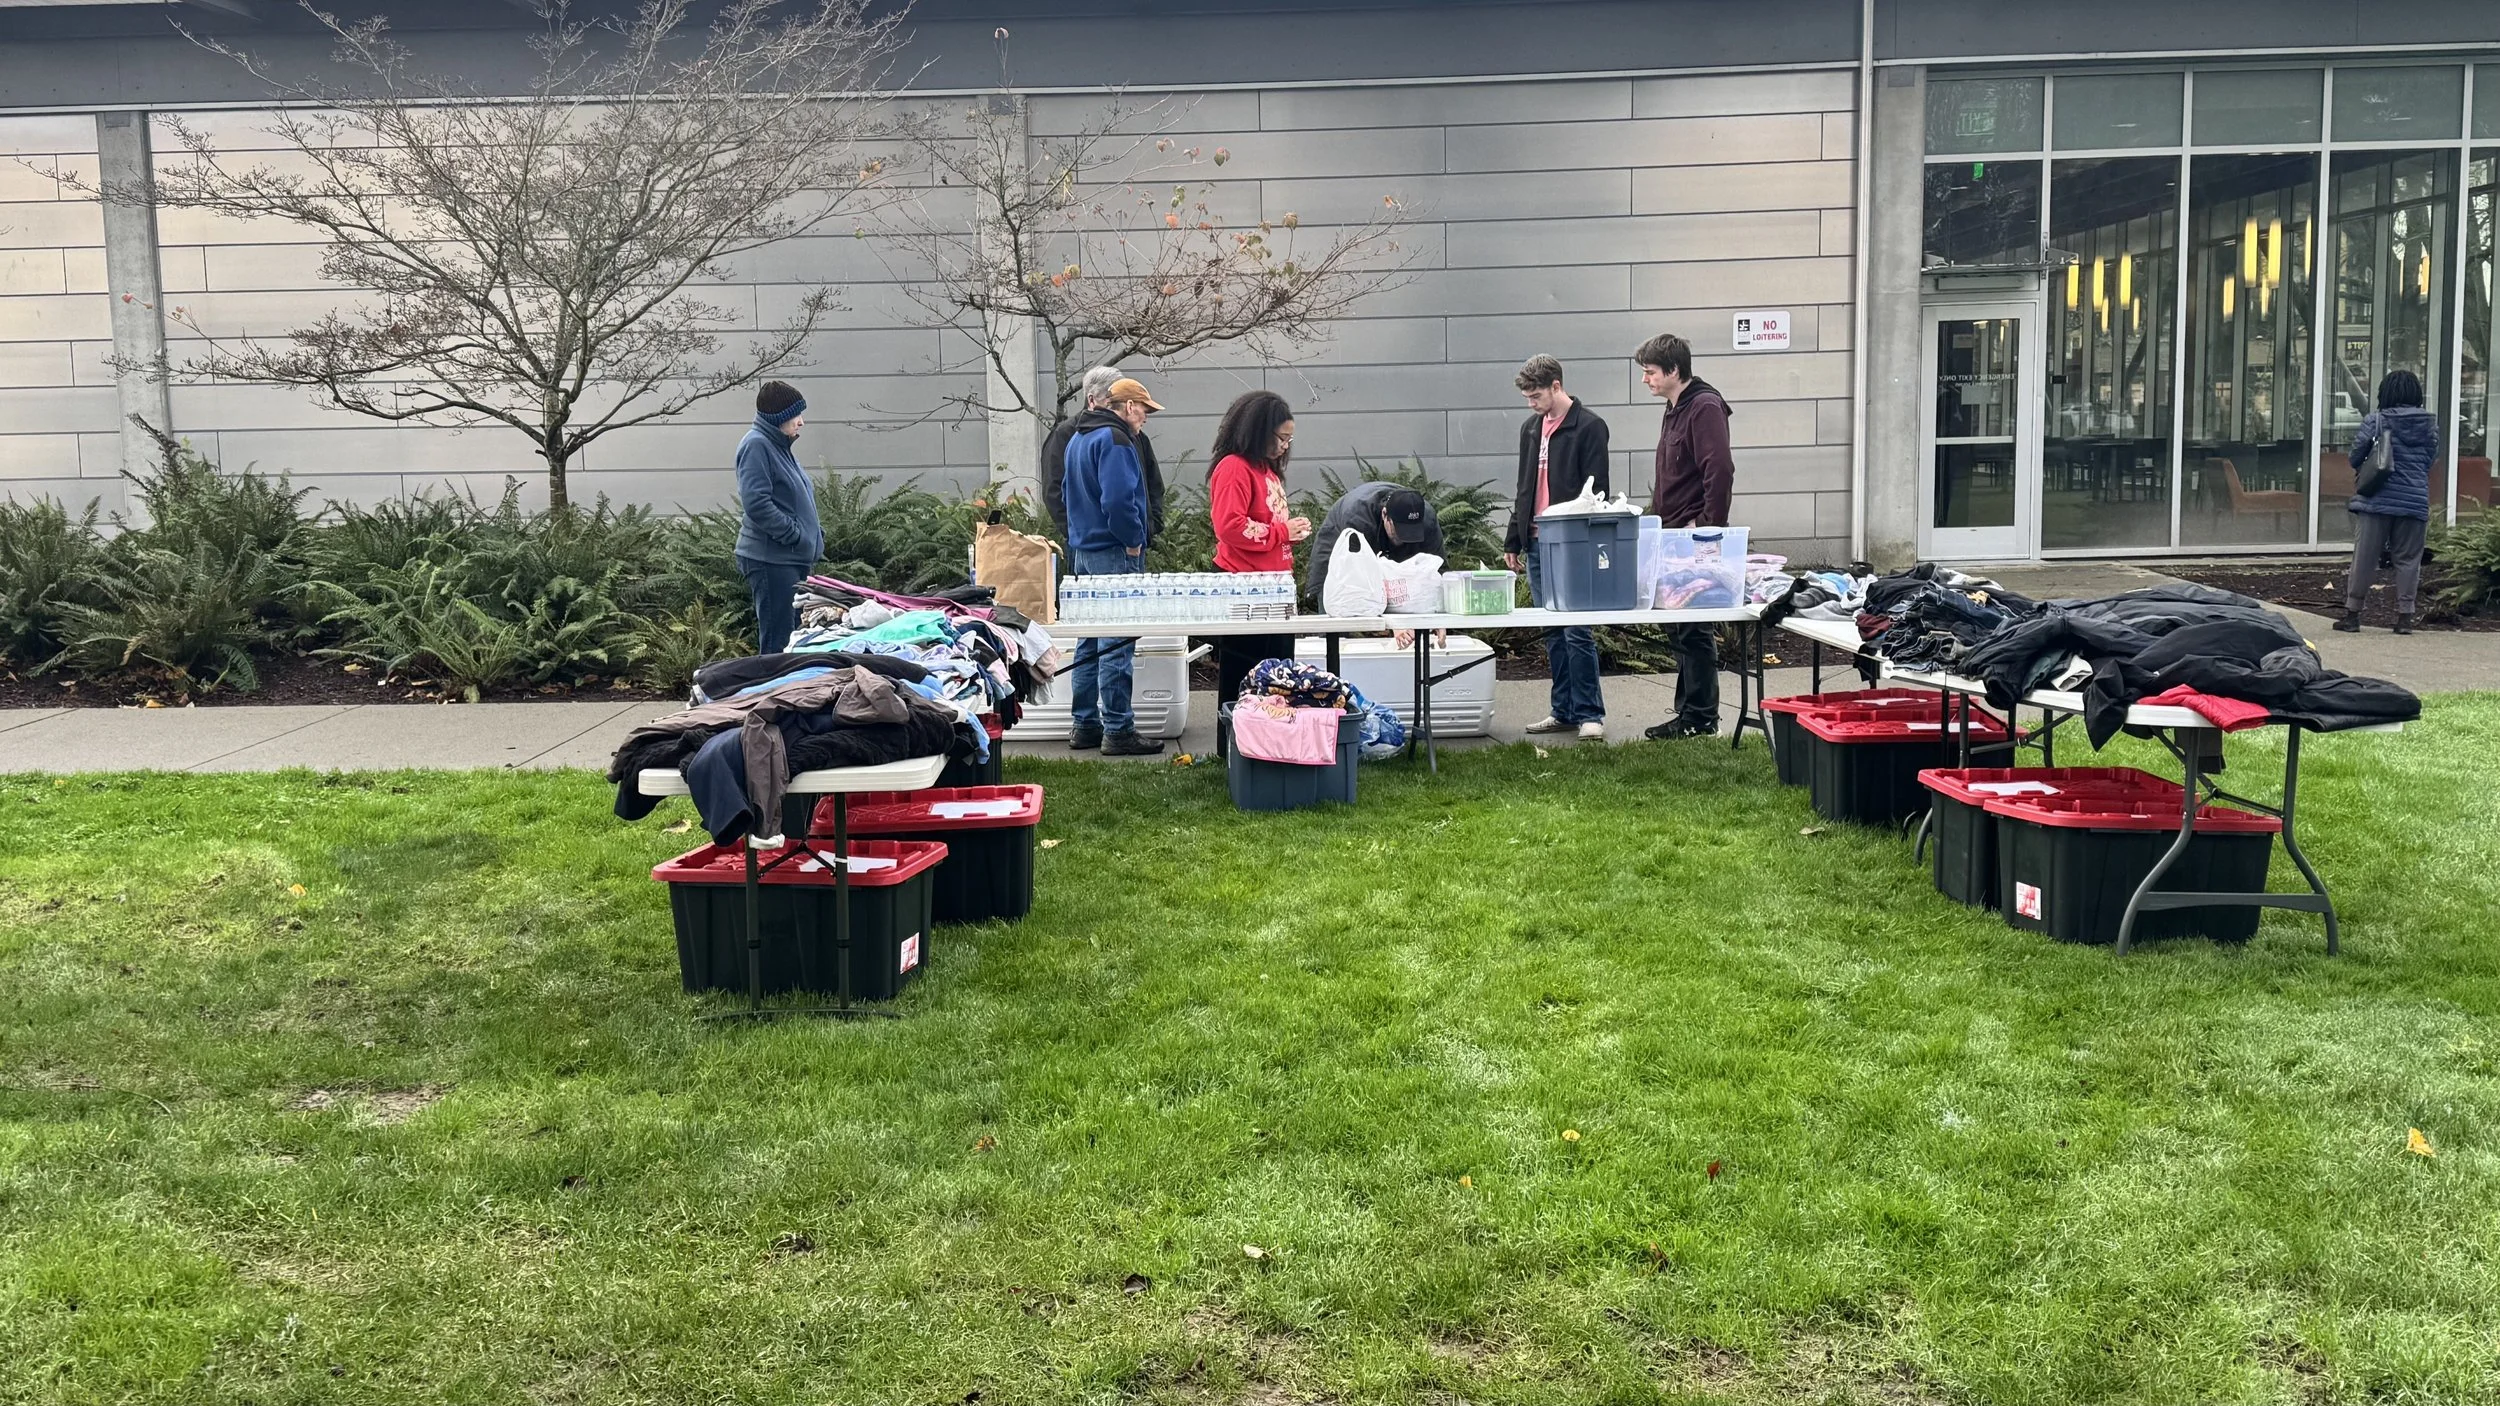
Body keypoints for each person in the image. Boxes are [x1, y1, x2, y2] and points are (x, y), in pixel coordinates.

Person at [1503, 354, 1611, 742]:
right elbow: (1523, 487)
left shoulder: (1590, 427)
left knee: (1577, 629)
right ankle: (1563, 709)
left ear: (1556, 386)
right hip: (1535, 540)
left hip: (1572, 543)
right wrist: (1514, 537)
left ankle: (1590, 713)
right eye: (1527, 397)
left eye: (1536, 396)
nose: (1531, 403)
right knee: (1552, 630)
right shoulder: (1531, 429)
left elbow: (1596, 493)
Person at [1637, 332, 1736, 741]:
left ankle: (1699, 717)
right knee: (1679, 625)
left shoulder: (1704, 406)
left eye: (1651, 372)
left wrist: (1708, 526)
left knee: (1693, 626)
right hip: (1671, 533)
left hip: (1695, 537)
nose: (1645, 380)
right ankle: (1690, 713)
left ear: (1674, 371)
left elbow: (1720, 470)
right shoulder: (1674, 407)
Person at [1062, 377, 1168, 756]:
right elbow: (1120, 500)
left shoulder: (1078, 438)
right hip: (1115, 551)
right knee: (1117, 642)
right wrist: (1134, 540)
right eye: (1143, 408)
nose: (1146, 417)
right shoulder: (1117, 440)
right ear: (1125, 407)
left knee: (1088, 641)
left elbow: (1065, 495)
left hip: (1083, 552)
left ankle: (1085, 724)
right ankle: (1119, 729)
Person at [1208, 390, 1311, 717]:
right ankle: (1236, 747)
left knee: (1278, 675)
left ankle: (1273, 741)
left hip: (1273, 585)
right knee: (1245, 676)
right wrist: (1282, 532)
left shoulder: (1267, 470)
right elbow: (1229, 526)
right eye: (1281, 437)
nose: (1285, 446)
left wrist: (1288, 533)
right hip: (1244, 589)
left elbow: (1262, 523)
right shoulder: (1234, 468)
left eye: (1289, 440)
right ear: (1258, 431)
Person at [2337, 369, 2437, 636]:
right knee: (2408, 560)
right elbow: (2429, 460)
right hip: (2414, 501)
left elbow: (2356, 457)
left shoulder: (2377, 420)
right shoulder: (2429, 425)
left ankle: (2352, 614)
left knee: (2365, 558)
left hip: (2377, 501)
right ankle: (2405, 618)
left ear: (2386, 393)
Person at [733, 379, 822, 656]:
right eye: (796, 415)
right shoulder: (757, 445)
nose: (802, 422)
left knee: (793, 641)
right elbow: (757, 503)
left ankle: (789, 697)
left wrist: (814, 535)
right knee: (778, 643)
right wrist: (794, 535)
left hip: (789, 559)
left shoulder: (779, 447)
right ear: (779, 418)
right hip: (772, 560)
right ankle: (771, 696)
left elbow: (791, 500)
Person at [1043, 364, 1166, 547]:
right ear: (1092, 400)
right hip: (1107, 545)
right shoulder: (1071, 435)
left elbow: (1152, 483)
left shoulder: (1132, 435)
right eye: (1113, 399)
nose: (1117, 405)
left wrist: (1149, 527)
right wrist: (1080, 534)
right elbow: (1056, 491)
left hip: (1111, 543)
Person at [1305, 481, 1443, 608]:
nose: (1403, 540)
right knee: (1338, 610)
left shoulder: (1428, 519)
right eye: (1399, 532)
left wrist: (1439, 613)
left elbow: (1438, 571)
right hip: (1340, 548)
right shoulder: (1358, 517)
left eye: (1411, 533)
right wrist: (1390, 623)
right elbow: (1359, 579)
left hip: (1380, 548)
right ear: (1385, 515)